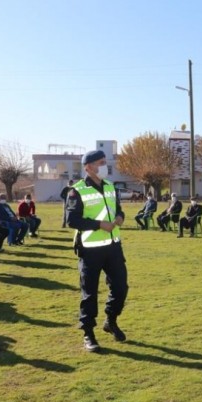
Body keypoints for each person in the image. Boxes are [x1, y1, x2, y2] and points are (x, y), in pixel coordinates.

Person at [66, 150, 129, 352]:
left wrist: (120, 217)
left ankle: (110, 320)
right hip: (90, 249)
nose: (104, 166)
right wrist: (99, 225)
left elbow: (118, 209)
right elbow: (72, 220)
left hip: (113, 247)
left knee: (121, 288)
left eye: (105, 162)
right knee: (89, 293)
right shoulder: (77, 191)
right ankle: (88, 334)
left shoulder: (110, 186)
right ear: (88, 167)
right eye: (101, 163)